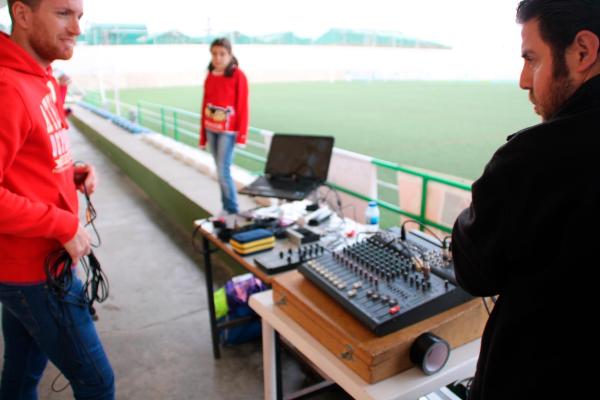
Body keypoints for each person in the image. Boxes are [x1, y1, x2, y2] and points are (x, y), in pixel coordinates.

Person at [451, 0, 600, 398]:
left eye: (531, 59)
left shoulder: (534, 156)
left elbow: (473, 271)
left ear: (582, 51)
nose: (523, 80)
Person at [0, 0, 115, 399]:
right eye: (64, 13)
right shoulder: (8, 87)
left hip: (23, 272)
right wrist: (63, 222)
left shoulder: (41, 75)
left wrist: (69, 174)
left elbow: (25, 163)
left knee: (21, 374)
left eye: (79, 16)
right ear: (23, 14)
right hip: (36, 274)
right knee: (98, 384)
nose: (77, 29)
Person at [199, 37, 249, 215]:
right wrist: (202, 136)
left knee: (223, 171)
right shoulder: (210, 76)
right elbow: (204, 104)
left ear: (229, 54)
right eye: (214, 54)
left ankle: (232, 209)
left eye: (222, 54)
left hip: (228, 133)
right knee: (219, 171)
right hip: (211, 129)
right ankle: (226, 207)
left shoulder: (238, 76)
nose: (218, 58)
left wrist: (242, 135)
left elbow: (242, 106)